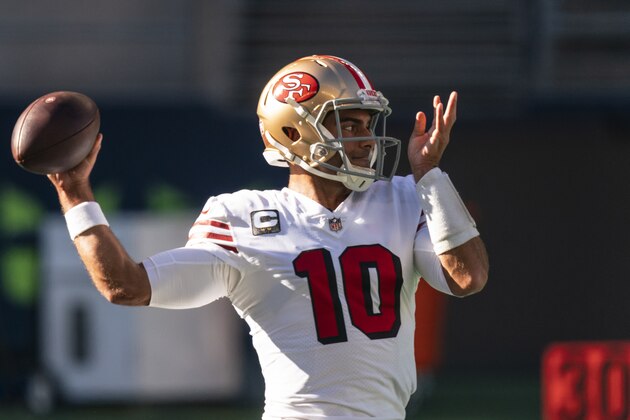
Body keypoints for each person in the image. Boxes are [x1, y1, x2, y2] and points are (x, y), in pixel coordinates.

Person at [48, 55, 488, 419]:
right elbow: (126, 285)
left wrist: (430, 175)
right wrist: (75, 194)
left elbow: (468, 278)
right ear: (293, 132)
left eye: (368, 125)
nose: (365, 141)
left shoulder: (406, 196)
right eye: (348, 125)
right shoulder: (240, 216)